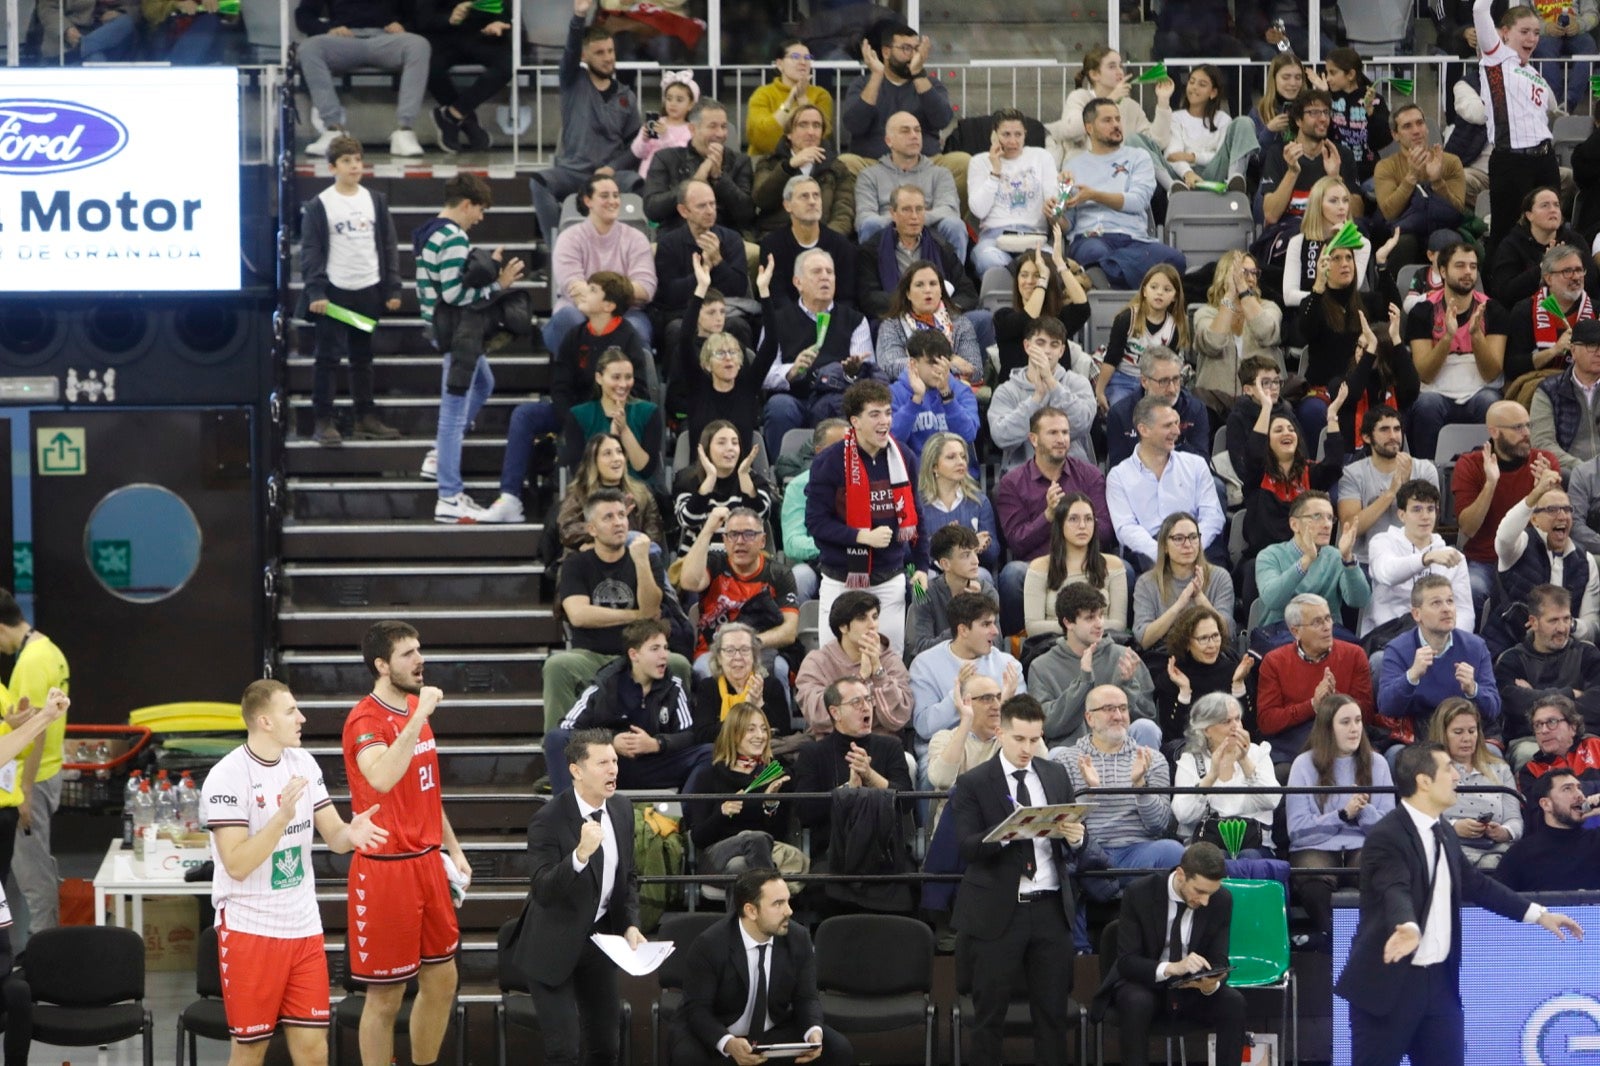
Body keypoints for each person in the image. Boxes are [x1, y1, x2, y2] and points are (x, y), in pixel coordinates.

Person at [1334, 742, 1584, 1066]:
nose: (1457, 776)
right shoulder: (1387, 835)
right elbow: (1394, 889)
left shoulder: (1445, 832)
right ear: (1424, 781)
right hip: (1388, 987)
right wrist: (1407, 926)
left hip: (1439, 986)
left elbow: (1477, 884)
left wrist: (1539, 914)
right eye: (1449, 769)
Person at [204, 680, 387, 1065]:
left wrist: (351, 834)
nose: (302, 718)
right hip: (250, 930)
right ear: (265, 721)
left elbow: (334, 836)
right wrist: (281, 817)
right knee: (251, 1048)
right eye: (291, 711)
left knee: (312, 1050)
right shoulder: (227, 776)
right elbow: (236, 864)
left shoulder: (303, 763)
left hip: (303, 928)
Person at [341, 621, 470, 1066]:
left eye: (420, 650)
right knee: (386, 996)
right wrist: (418, 719)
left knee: (443, 980)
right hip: (386, 869)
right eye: (407, 654)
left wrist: (452, 848)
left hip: (427, 862)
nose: (420, 660)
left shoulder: (415, 709)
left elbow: (425, 787)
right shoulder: (366, 718)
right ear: (381, 665)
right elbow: (379, 777)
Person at [949, 694, 1085, 1066]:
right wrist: (1010, 832)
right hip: (997, 912)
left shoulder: (1055, 774)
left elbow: (1075, 833)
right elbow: (966, 847)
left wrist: (1076, 837)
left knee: (1053, 1015)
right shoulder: (975, 782)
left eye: (1035, 739)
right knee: (988, 1015)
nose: (1027, 748)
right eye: (1019, 739)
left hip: (1050, 908)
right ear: (1000, 732)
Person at [507, 729, 646, 1066]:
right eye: (602, 763)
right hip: (552, 945)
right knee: (564, 1051)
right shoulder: (548, 820)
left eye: (614, 760)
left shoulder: (623, 809)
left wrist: (629, 924)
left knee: (605, 1048)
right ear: (576, 770)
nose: (613, 769)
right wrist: (579, 856)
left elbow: (627, 877)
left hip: (598, 941)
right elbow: (543, 889)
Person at [413, 172, 524, 521]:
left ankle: (438, 459)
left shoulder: (430, 231)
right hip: (457, 332)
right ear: (466, 204)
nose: (481, 217)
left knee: (483, 383)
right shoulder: (453, 238)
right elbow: (455, 294)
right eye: (480, 209)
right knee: (452, 413)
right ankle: (448, 495)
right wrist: (498, 283)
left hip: (444, 328)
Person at [672, 868, 851, 1065]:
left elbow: (806, 998)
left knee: (837, 1048)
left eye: (788, 901)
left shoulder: (798, 938)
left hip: (772, 1028)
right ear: (751, 910)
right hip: (721, 1028)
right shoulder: (709, 944)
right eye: (778, 904)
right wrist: (728, 1043)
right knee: (687, 1057)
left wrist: (813, 1032)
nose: (789, 911)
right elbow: (698, 1010)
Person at [1091, 843, 1247, 1066]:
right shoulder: (1139, 893)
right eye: (1200, 891)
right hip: (1145, 982)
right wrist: (1173, 968)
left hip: (1191, 988)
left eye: (1210, 893)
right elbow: (1127, 962)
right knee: (1137, 1002)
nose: (1204, 901)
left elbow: (1219, 959)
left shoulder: (1221, 900)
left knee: (1233, 1002)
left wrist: (1209, 983)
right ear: (1181, 875)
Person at [544, 489, 685, 732]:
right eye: (608, 517)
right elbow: (579, 615)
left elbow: (651, 609)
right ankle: (559, 752)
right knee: (557, 666)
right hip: (589, 655)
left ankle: (674, 745)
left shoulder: (647, 559)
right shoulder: (575, 564)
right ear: (591, 529)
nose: (618, 522)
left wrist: (641, 560)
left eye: (622, 515)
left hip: (638, 656)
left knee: (678, 663)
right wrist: (635, 615)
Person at [804, 380, 927, 658]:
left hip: (889, 579)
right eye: (875, 414)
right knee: (834, 662)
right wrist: (861, 536)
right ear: (855, 421)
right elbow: (815, 523)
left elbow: (916, 516)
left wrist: (920, 565)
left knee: (889, 663)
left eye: (888, 413)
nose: (884, 421)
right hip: (841, 579)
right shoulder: (829, 462)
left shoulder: (903, 456)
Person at [299, 135, 402, 448]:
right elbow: (312, 250)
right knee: (328, 358)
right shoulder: (321, 205)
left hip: (366, 289)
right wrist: (316, 291)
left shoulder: (374, 200)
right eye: (347, 161)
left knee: (361, 357)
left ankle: (365, 417)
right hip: (335, 292)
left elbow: (388, 244)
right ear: (332, 167)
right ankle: (323, 420)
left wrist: (392, 286)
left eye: (357, 159)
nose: (355, 165)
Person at [548, 619, 708, 794]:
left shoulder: (673, 687)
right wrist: (610, 741)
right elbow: (567, 727)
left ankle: (686, 816)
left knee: (709, 753)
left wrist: (656, 743)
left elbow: (689, 735)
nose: (664, 655)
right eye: (655, 649)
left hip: (655, 765)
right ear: (634, 655)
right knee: (556, 738)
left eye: (665, 648)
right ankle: (568, 815)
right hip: (611, 765)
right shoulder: (605, 685)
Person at [1056, 682, 1185, 898]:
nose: (1118, 716)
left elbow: (1159, 826)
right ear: (1090, 718)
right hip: (1087, 851)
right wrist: (1090, 792)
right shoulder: (1066, 760)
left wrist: (1139, 786)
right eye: (1109, 709)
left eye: (1123, 708)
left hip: (1136, 851)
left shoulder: (1152, 759)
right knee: (1060, 864)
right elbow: (1063, 825)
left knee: (1173, 852)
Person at [527, 0, 641, 241]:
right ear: (584, 55)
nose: (608, 58)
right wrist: (579, 17)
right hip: (573, 171)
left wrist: (613, 168)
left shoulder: (627, 96)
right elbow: (569, 50)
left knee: (639, 184)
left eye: (610, 51)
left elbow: (636, 147)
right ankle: (556, 249)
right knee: (539, 182)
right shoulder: (572, 80)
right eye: (600, 53)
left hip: (611, 174)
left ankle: (638, 247)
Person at [1288, 692, 1396, 943]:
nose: (1354, 729)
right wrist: (1342, 815)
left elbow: (1390, 830)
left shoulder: (1377, 763)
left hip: (1363, 845)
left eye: (1358, 721)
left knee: (1381, 869)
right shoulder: (1303, 765)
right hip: (1316, 846)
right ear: (1328, 727)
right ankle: (1336, 939)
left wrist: (1363, 812)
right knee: (1312, 875)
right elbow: (1297, 830)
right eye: (1345, 722)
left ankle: (1373, 940)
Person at [995, 407, 1112, 631]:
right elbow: (1016, 543)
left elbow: (1105, 530)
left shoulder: (1089, 475)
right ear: (1033, 439)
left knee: (1123, 569)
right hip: (1039, 564)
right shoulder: (1013, 483)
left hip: (1085, 561)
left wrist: (1078, 525)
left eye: (1065, 433)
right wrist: (1048, 516)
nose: (1061, 439)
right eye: (1053, 433)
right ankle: (1018, 643)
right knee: (1011, 575)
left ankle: (1112, 640)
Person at [756, 248, 874, 459]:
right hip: (794, 397)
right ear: (797, 282)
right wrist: (790, 371)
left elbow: (868, 375)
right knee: (779, 406)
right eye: (817, 272)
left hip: (835, 398)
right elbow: (762, 373)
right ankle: (778, 471)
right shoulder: (777, 320)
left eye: (830, 272)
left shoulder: (855, 320)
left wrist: (851, 372)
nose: (825, 277)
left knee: (849, 407)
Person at [0, 588, 71, 938]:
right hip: (47, 772)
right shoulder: (48, 649)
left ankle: (43, 949)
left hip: (33, 778)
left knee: (32, 874)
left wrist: (25, 791)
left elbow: (36, 729)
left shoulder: (28, 662)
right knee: (39, 865)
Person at [1060, 99, 1187, 289]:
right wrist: (1053, 216)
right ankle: (1127, 277)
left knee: (1175, 259)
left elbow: (1138, 201)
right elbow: (1068, 224)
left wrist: (1094, 195)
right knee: (1093, 252)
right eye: (1107, 120)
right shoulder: (1072, 166)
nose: (1116, 124)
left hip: (1134, 240)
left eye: (1118, 119)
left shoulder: (1138, 157)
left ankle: (1105, 277)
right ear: (1089, 128)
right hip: (1092, 237)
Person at [1453, 400, 1563, 614]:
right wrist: (1490, 483)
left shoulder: (1544, 461)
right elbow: (1468, 528)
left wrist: (1547, 491)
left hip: (1532, 560)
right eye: (1517, 427)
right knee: (1473, 590)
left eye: (1528, 425)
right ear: (1494, 431)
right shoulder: (1470, 464)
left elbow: (1559, 526)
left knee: (1553, 594)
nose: (1526, 433)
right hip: (1484, 560)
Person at [790, 676, 914, 857]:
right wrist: (848, 789)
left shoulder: (890, 746)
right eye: (856, 702)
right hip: (833, 854)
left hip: (885, 854)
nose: (866, 707)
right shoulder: (813, 753)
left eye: (868, 699)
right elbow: (805, 812)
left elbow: (907, 802)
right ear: (835, 712)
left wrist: (870, 776)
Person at [839, 22, 967, 195]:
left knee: (964, 163)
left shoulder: (931, 84)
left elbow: (942, 120)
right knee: (845, 163)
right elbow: (854, 125)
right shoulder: (862, 84)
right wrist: (877, 76)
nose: (913, 55)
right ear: (886, 52)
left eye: (917, 49)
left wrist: (918, 74)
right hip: (874, 165)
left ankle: (953, 220)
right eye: (906, 48)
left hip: (926, 164)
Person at [1377, 575, 1503, 751]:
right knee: (1395, 754)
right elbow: (1387, 707)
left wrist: (1473, 689)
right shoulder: (1398, 648)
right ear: (1416, 614)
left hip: (1465, 731)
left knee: (1493, 754)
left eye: (1450, 601)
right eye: (1436, 603)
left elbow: (1493, 708)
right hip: (1420, 734)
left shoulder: (1475, 646)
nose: (1447, 609)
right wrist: (1411, 676)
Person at [1488, 458, 1600, 653]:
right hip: (1509, 647)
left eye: (1567, 509)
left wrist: (1567, 624)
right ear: (1534, 519)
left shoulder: (1585, 561)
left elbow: (1591, 628)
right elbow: (1504, 537)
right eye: (1552, 510)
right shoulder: (1520, 545)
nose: (1562, 516)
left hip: (1561, 652)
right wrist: (1536, 493)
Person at [1029, 586, 1161, 750]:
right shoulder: (1042, 667)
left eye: (1101, 616)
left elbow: (1148, 716)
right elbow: (1048, 727)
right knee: (1056, 753)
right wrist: (1083, 683)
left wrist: (1127, 685)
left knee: (1146, 728)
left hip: (1122, 749)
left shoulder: (1125, 657)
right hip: (1074, 753)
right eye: (1090, 618)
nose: (1099, 624)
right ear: (1068, 622)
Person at [1107, 396, 1228, 573]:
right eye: (1167, 426)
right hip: (1148, 550)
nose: (1177, 432)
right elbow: (1126, 528)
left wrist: (1190, 545)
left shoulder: (1196, 465)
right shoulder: (1118, 476)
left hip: (1196, 542)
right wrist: (1164, 552)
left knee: (1218, 568)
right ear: (1144, 430)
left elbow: (1213, 516)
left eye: (1176, 423)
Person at [295, 0, 429, 157]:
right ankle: (333, 129)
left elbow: (418, 16)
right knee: (309, 48)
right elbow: (303, 16)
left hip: (385, 38)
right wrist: (328, 29)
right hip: (344, 38)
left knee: (419, 45)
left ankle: (405, 130)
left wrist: (403, 26)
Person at [679, 500, 798, 674]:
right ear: (725, 541)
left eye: (749, 534)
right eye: (733, 535)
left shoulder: (779, 574)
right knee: (703, 669)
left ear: (762, 540)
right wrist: (708, 530)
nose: (740, 541)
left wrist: (746, 643)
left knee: (780, 669)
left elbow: (789, 631)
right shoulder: (714, 565)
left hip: (759, 648)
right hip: (713, 650)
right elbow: (689, 582)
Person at [544, 175, 656, 359]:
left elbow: (645, 288)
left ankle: (633, 385)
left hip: (626, 312)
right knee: (569, 322)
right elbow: (573, 286)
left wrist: (601, 296)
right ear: (588, 201)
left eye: (616, 195)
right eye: (605, 196)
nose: (612, 201)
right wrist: (620, 291)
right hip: (579, 310)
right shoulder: (569, 238)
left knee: (635, 329)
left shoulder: (636, 238)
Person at [909, 592, 1025, 769]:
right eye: (986, 624)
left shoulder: (1008, 665)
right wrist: (957, 694)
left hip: (996, 746)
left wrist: (1007, 702)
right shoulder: (924, 664)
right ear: (963, 630)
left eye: (994, 623)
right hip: (943, 748)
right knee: (932, 777)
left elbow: (1023, 724)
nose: (995, 632)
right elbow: (925, 727)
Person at [1257, 593, 1376, 765]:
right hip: (1293, 744)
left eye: (1328, 619)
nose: (1327, 627)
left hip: (1345, 739)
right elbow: (1267, 722)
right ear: (1295, 631)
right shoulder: (1274, 662)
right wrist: (1312, 705)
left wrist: (1336, 701)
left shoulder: (1355, 654)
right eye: (1317, 622)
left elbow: (1367, 714)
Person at [1239, 391, 1350, 564]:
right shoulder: (1257, 474)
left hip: (1305, 557)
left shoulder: (1309, 473)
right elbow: (1254, 451)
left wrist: (1332, 417)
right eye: (1278, 430)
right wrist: (1267, 408)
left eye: (1291, 429)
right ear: (1267, 442)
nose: (1287, 433)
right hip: (1264, 560)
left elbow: (1334, 464)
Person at [681, 708, 795, 873]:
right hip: (715, 856)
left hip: (758, 855)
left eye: (764, 729)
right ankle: (770, 889)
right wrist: (721, 813)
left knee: (741, 865)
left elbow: (778, 834)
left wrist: (770, 803)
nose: (760, 735)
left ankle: (761, 891)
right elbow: (698, 838)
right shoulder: (707, 775)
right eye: (751, 729)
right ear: (733, 734)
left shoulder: (773, 776)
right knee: (753, 837)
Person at [1494, 584, 1600, 755]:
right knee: (1526, 754)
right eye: (1553, 620)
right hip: (1531, 741)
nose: (1562, 628)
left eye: (1567, 619)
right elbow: (1514, 706)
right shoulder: (1511, 660)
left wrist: (1535, 694)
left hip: (1582, 737)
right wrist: (1571, 694)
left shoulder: (1588, 653)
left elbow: (1596, 706)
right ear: (1533, 622)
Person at [675, 271, 774, 453]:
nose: (729, 357)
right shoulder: (698, 387)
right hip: (700, 476)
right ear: (706, 364)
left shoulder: (748, 387)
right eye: (720, 353)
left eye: (733, 353)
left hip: (740, 477)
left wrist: (764, 292)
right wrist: (701, 288)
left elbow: (771, 344)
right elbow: (684, 340)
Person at [793, 591, 913, 738]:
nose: (872, 625)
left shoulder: (891, 661)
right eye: (862, 618)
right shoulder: (817, 662)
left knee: (908, 761)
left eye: (875, 617)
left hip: (880, 748)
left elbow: (898, 718)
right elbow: (817, 715)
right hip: (831, 748)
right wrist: (860, 679)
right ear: (843, 627)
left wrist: (878, 672)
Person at [855, 184, 980, 323]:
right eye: (907, 210)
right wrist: (913, 306)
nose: (914, 216)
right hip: (896, 319)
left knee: (982, 319)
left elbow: (967, 293)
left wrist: (944, 308)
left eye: (919, 209)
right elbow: (869, 297)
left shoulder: (941, 246)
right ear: (893, 214)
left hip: (941, 318)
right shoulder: (873, 249)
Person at [988, 315, 1097, 472]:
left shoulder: (1078, 383)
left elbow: (1082, 424)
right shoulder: (1006, 391)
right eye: (1040, 343)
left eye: (1054, 345)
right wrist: (1036, 399)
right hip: (1023, 477)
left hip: (1073, 474)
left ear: (1061, 351)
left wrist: (1052, 385)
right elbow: (1001, 436)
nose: (1047, 351)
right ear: (1027, 346)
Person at [1337, 405, 1442, 567]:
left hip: (1414, 557)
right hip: (1366, 561)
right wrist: (1391, 492)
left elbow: (1429, 523)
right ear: (1366, 437)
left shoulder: (1425, 469)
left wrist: (1408, 487)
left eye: (1397, 429)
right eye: (1384, 430)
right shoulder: (1353, 474)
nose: (1393, 436)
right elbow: (1351, 528)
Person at [854, 115, 970, 261]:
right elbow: (864, 218)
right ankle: (874, 280)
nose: (914, 136)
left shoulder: (940, 173)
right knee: (871, 225)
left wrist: (915, 219)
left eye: (917, 130)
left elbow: (949, 210)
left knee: (954, 225)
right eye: (905, 131)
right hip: (887, 235)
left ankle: (950, 282)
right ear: (888, 141)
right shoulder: (869, 175)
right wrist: (903, 221)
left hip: (930, 234)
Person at [1367, 479, 1474, 636]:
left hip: (1439, 639)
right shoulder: (1382, 542)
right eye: (1417, 509)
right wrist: (1426, 558)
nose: (1425, 516)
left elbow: (1465, 611)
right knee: (1379, 660)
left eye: (1430, 509)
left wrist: (1451, 642)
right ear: (1402, 515)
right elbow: (1387, 574)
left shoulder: (1453, 557)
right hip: (1389, 636)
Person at [1172, 697, 1277, 852]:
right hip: (1206, 846)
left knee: (1249, 858)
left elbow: (1272, 801)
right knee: (1215, 860)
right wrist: (1211, 777)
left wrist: (1244, 760)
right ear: (1206, 730)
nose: (1236, 726)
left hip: (1254, 845)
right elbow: (1183, 815)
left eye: (1237, 719)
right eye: (1226, 722)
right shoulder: (1191, 761)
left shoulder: (1257, 753)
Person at [1047, 45, 1174, 173]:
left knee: (1137, 146)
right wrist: (1109, 101)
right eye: (1112, 66)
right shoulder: (1080, 97)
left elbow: (1156, 144)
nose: (1119, 71)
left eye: (1120, 66)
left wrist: (1163, 101)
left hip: (1123, 174)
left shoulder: (1130, 105)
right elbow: (1071, 130)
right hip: (1086, 172)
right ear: (1095, 74)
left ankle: (1173, 186)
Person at [1372, 103, 1468, 271]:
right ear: (1395, 135)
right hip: (1405, 229)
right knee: (1405, 241)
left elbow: (1458, 209)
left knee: (1448, 241)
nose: (1416, 131)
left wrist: (1437, 182)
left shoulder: (1451, 162)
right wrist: (1411, 177)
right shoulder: (1385, 166)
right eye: (1407, 126)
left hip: (1441, 226)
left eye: (1420, 123)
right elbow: (1389, 212)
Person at [1429, 698, 1521, 871]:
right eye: (1458, 732)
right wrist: (1454, 827)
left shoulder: (1500, 769)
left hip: (1497, 851)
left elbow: (1515, 819)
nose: (1467, 738)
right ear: (1442, 733)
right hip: (1448, 850)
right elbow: (1420, 818)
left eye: (1472, 731)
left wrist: (1504, 831)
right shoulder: (1428, 770)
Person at [1258, 90, 1360, 245]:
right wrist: (1292, 172)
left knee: (1361, 232)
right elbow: (1271, 215)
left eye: (1326, 112)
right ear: (1298, 120)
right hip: (1291, 231)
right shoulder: (1278, 153)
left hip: (1330, 230)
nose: (1323, 119)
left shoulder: (1341, 155)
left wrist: (1335, 179)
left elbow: (1358, 213)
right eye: (1314, 113)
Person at [549, 271, 657, 417]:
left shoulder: (629, 337)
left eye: (592, 290)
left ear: (608, 306)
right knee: (526, 415)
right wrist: (571, 421)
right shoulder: (574, 336)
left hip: (615, 416)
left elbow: (638, 391)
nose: (584, 292)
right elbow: (561, 386)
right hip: (577, 414)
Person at [968, 107, 1062, 274]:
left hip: (1034, 236)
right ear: (995, 135)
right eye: (1006, 135)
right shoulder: (979, 162)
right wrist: (995, 172)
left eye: (1018, 135)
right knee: (988, 261)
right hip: (994, 238)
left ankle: (1017, 272)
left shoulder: (1041, 157)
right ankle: (1017, 273)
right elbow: (979, 210)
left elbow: (1054, 199)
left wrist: (1053, 205)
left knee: (1049, 264)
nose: (1013, 141)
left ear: (1025, 134)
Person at [1023, 494, 1128, 639]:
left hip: (1101, 645)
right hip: (1054, 647)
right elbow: (1033, 627)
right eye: (1073, 519)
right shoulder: (1040, 567)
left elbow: (1119, 625)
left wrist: (1077, 626)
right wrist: (1082, 627)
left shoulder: (1113, 565)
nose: (1082, 526)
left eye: (1088, 519)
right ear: (1060, 524)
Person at [653, 180, 751, 335]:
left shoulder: (732, 239)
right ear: (683, 211)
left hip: (725, 310)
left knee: (738, 326)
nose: (710, 211)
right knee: (676, 330)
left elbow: (739, 288)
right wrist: (703, 272)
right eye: (701, 206)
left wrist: (718, 261)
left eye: (712, 204)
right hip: (684, 311)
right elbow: (668, 294)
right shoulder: (668, 243)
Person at [1192, 251, 1284, 414]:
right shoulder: (1205, 314)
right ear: (1224, 277)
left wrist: (1244, 293)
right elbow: (1213, 344)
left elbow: (1265, 333)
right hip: (1216, 404)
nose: (1250, 278)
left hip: (1264, 400)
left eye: (1254, 273)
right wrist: (1230, 295)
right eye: (1243, 273)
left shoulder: (1269, 308)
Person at [1132, 514, 1235, 657]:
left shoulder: (1219, 577)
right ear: (1165, 546)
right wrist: (1179, 605)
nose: (1188, 544)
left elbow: (1228, 632)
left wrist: (1199, 598)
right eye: (1179, 539)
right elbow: (1143, 639)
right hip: (1165, 658)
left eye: (1193, 537)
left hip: (1211, 657)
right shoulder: (1146, 582)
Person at [548, 433, 664, 557]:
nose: (616, 458)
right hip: (589, 563)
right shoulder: (579, 493)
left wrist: (617, 549)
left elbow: (653, 538)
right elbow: (567, 531)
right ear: (594, 460)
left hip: (632, 561)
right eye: (607, 454)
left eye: (619, 452)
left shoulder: (641, 493)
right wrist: (601, 535)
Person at [560, 348, 664, 486]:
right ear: (599, 378)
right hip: (594, 492)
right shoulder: (579, 415)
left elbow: (645, 471)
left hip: (639, 492)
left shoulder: (649, 412)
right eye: (616, 377)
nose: (623, 384)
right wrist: (611, 438)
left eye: (628, 377)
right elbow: (580, 471)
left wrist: (624, 429)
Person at [927, 680, 1047, 798]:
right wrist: (966, 722)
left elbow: (1043, 768)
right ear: (965, 703)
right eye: (986, 698)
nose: (996, 706)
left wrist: (1009, 716)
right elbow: (942, 781)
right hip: (960, 814)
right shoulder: (944, 738)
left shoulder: (1009, 737)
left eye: (999, 698)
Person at [420, 0, 511, 153]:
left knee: (508, 65)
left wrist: (500, 23)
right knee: (428, 65)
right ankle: (468, 123)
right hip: (444, 38)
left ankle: (453, 114)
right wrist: (448, 19)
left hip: (484, 37)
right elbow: (421, 19)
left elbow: (507, 14)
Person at [991, 237, 1090, 377]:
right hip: (1017, 394)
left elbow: (1082, 307)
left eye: (1037, 275)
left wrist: (1061, 265)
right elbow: (1027, 318)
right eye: (1024, 275)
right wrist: (1042, 279)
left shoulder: (1058, 318)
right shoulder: (1003, 317)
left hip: (1057, 392)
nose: (1029, 281)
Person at [1154, 607, 1253, 747]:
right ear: (1187, 642)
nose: (1212, 645)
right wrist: (1184, 693)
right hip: (1190, 752)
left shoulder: (1234, 670)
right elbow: (1172, 737)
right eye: (1203, 638)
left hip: (1232, 746)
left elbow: (1250, 729)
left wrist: (1238, 686)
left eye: (1215, 636)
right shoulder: (1175, 675)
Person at [875, 263, 985, 387]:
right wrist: (950, 360)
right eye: (919, 285)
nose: (927, 290)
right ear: (908, 294)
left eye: (933, 284)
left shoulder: (960, 323)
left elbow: (974, 370)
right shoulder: (892, 325)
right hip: (910, 394)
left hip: (955, 394)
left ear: (941, 291)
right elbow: (891, 366)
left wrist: (921, 365)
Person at [1103, 345, 1212, 469]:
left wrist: (1176, 437)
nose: (1172, 389)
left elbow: (1203, 464)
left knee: (1217, 486)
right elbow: (1119, 469)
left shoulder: (1195, 409)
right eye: (1164, 381)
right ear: (1144, 381)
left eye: (1176, 379)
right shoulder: (1120, 414)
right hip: (1139, 482)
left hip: (1185, 480)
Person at [1489, 186, 1600, 307]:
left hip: (1574, 309)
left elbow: (1592, 283)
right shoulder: (1512, 245)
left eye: (1556, 205)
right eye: (1545, 205)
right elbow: (1506, 293)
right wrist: (1543, 267)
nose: (1553, 210)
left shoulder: (1574, 240)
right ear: (1529, 215)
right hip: (1529, 313)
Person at [672, 425, 774, 555]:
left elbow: (761, 518)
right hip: (699, 560)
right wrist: (710, 479)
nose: (730, 448)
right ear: (706, 448)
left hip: (744, 559)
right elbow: (687, 520)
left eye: (735, 443)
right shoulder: (687, 479)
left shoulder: (754, 480)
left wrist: (743, 475)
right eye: (721, 443)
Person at [755, 174, 856, 303]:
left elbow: (846, 298)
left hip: (829, 320)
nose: (812, 201)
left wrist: (820, 322)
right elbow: (777, 298)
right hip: (789, 320)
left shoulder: (841, 246)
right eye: (804, 196)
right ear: (787, 205)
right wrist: (803, 321)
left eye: (816, 195)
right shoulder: (772, 246)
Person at [1496, 770, 1600, 890]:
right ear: (1546, 804)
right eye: (1567, 789)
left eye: (1579, 788)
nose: (1580, 795)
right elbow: (1498, 902)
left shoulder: (1596, 840)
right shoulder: (1521, 854)